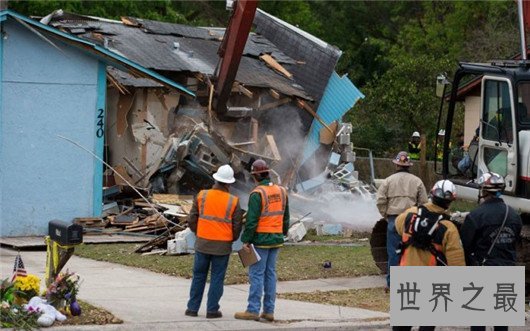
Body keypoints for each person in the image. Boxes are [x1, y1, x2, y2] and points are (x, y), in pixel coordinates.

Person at [392, 180, 465, 331]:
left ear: (432, 194)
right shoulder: (449, 227)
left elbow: (397, 227)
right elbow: (456, 262)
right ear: (451, 201)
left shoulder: (410, 214)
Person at [460, 172, 522, 331]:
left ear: (483, 191)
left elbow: (465, 245)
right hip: (507, 270)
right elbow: (515, 241)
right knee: (501, 318)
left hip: (482, 269)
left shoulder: (476, 216)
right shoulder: (514, 215)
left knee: (478, 316)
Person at [185, 164, 243, 319]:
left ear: (215, 179)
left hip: (203, 243)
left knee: (199, 276)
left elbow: (192, 219)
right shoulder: (234, 201)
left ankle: (192, 308)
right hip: (222, 247)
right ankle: (212, 310)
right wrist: (231, 238)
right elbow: (237, 226)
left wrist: (199, 232)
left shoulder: (202, 195)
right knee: (217, 278)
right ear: (229, 183)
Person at [234, 159, 289, 322]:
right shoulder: (282, 191)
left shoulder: (257, 194)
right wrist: (282, 233)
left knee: (257, 274)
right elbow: (286, 216)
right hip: (276, 239)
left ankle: (252, 310)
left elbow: (252, 221)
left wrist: (246, 239)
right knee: (270, 274)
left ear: (255, 176)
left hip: (261, 240)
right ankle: (269, 311)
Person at [376, 151, 428, 289]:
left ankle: (392, 284)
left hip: (394, 219)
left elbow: (380, 200)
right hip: (412, 220)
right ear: (409, 166)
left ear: (396, 165)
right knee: (412, 252)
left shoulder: (388, 181)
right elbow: (424, 203)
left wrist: (386, 216)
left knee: (393, 252)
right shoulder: (417, 181)